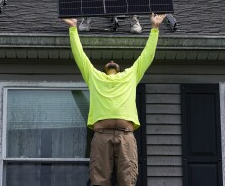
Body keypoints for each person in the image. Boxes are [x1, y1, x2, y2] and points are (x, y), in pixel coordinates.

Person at [63, 13, 166, 186]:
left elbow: (147, 55)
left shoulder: (131, 75)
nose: (111, 61)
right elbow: (79, 55)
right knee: (99, 181)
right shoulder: (95, 77)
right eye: (109, 62)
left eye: (114, 62)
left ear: (118, 68)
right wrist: (73, 28)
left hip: (126, 135)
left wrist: (155, 28)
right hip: (101, 136)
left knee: (127, 181)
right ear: (105, 69)